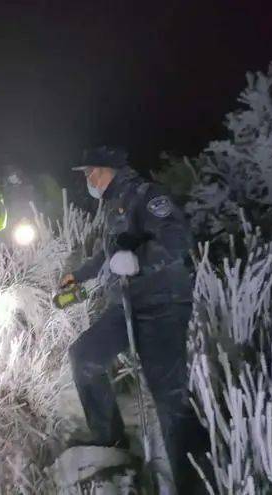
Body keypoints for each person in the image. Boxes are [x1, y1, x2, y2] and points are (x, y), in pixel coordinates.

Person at [61, 145, 204, 493]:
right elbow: (109, 254)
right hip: (125, 305)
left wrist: (139, 259)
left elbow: (177, 239)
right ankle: (109, 441)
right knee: (85, 357)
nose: (89, 179)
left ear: (111, 169)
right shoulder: (111, 204)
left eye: (93, 171)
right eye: (86, 174)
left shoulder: (147, 195)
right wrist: (79, 276)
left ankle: (193, 482)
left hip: (162, 306)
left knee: (169, 399)